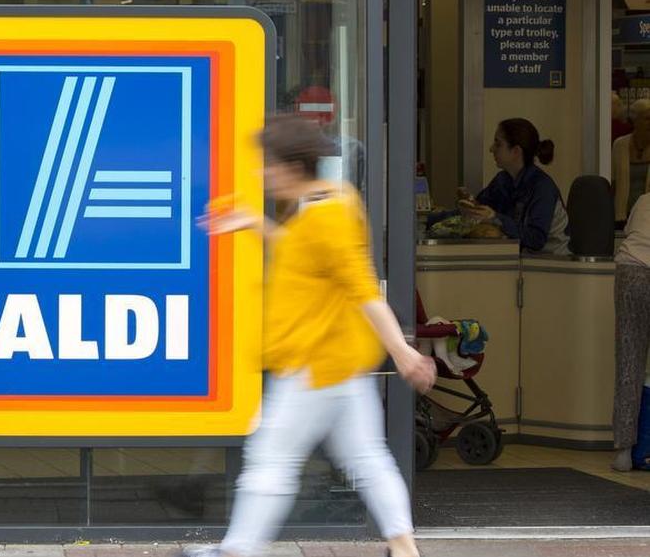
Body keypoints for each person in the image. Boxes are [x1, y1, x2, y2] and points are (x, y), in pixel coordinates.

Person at [189, 115, 436, 557]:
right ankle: (404, 547)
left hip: (312, 367)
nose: (261, 172)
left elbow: (362, 290)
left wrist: (403, 353)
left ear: (289, 167)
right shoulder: (329, 201)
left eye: (267, 164)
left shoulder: (328, 215)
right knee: (368, 459)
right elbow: (302, 255)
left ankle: (238, 551)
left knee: (269, 462)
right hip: (339, 367)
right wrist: (253, 223)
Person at [455, 118, 570, 255]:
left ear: (516, 151)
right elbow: (481, 208)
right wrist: (469, 206)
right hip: (517, 260)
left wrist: (496, 218)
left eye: (498, 144)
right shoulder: (503, 180)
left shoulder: (542, 187)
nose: (491, 149)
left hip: (549, 265)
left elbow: (536, 239)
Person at [613, 193, 650, 472]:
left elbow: (630, 231)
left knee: (629, 361)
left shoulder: (643, 199)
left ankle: (624, 452)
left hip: (629, 272)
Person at [614, 99, 650, 223]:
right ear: (635, 121)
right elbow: (612, 181)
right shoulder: (620, 145)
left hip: (647, 216)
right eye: (647, 119)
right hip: (623, 215)